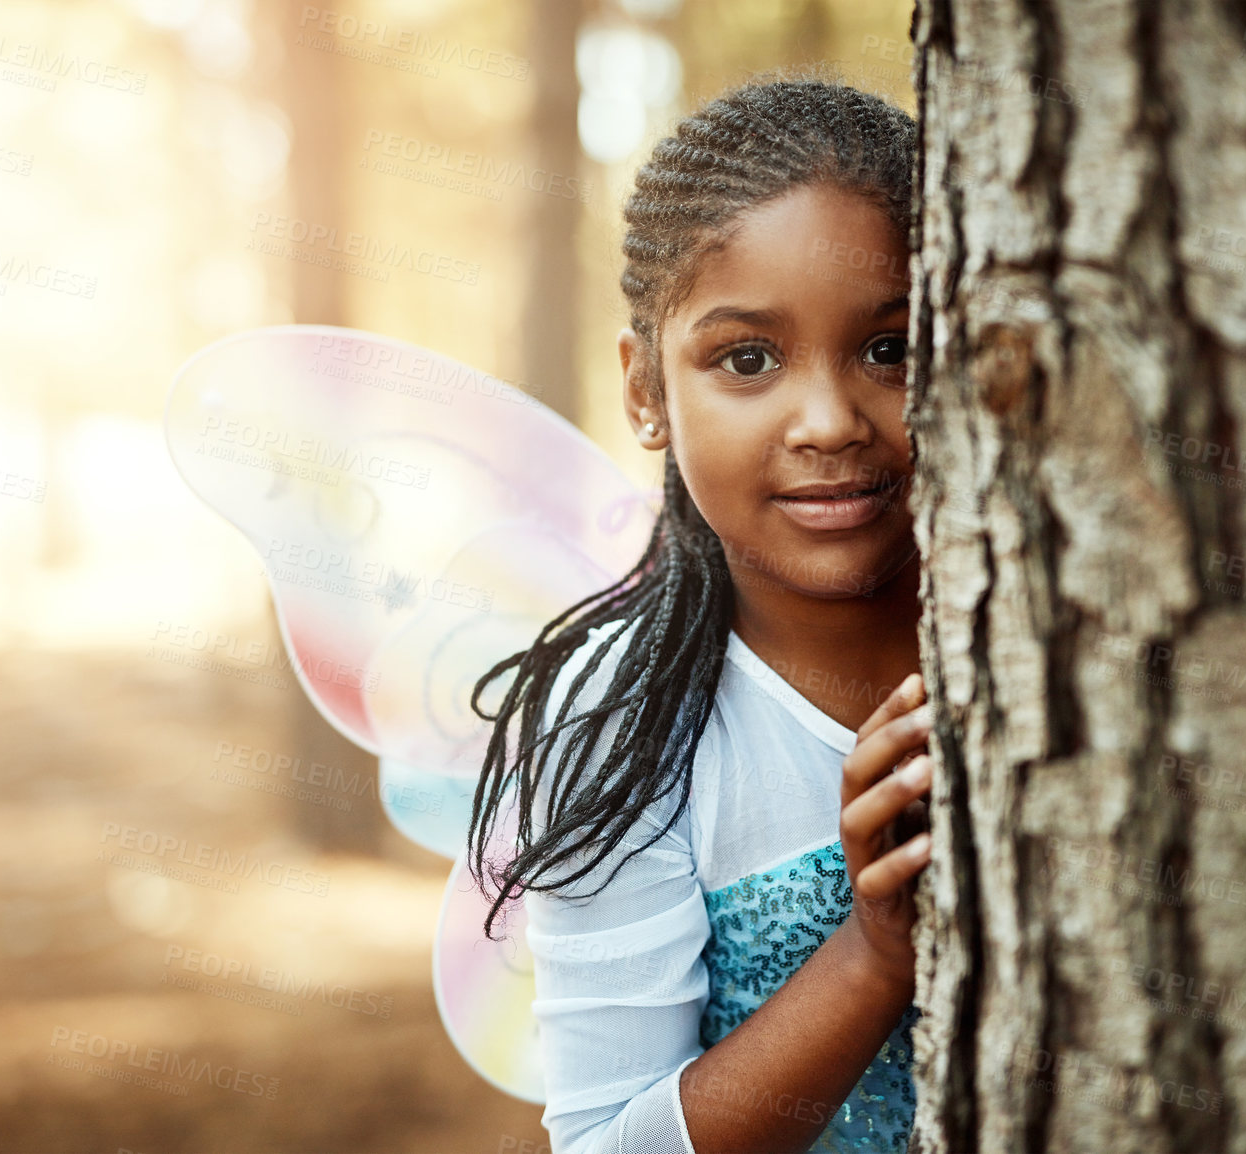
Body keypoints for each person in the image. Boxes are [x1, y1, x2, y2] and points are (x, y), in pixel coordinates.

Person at [466, 77, 934, 1154]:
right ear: (646, 393)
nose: (827, 420)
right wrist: (872, 955)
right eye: (748, 359)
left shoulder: (1058, 635)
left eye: (890, 349)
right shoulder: (621, 721)